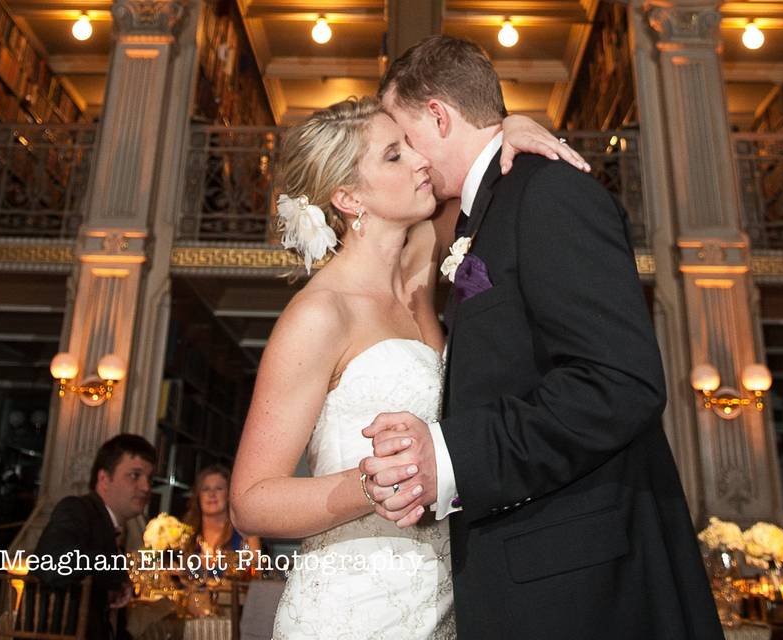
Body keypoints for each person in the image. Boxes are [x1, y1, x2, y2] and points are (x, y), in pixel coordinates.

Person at [359, 35, 723, 639]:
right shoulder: (485, 210)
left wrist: (453, 457)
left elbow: (620, 382)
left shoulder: (548, 192)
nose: (410, 157)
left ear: (439, 116)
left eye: (403, 138)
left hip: (585, 592)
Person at [229, 95, 582, 638]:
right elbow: (250, 502)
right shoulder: (321, 315)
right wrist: (371, 487)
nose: (419, 161)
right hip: (353, 607)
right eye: (394, 155)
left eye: (410, 146)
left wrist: (510, 124)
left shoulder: (420, 257)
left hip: (443, 601)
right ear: (348, 197)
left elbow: (476, 160)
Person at [33, 434, 156, 640]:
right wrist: (119, 572)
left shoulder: (111, 526)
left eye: (149, 478)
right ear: (104, 479)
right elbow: (51, 563)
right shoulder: (76, 508)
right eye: (135, 475)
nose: (146, 487)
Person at [182, 464, 261, 574]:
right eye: (205, 489)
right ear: (198, 496)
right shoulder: (184, 534)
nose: (211, 494)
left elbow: (254, 578)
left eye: (218, 488)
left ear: (229, 495)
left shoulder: (247, 535)